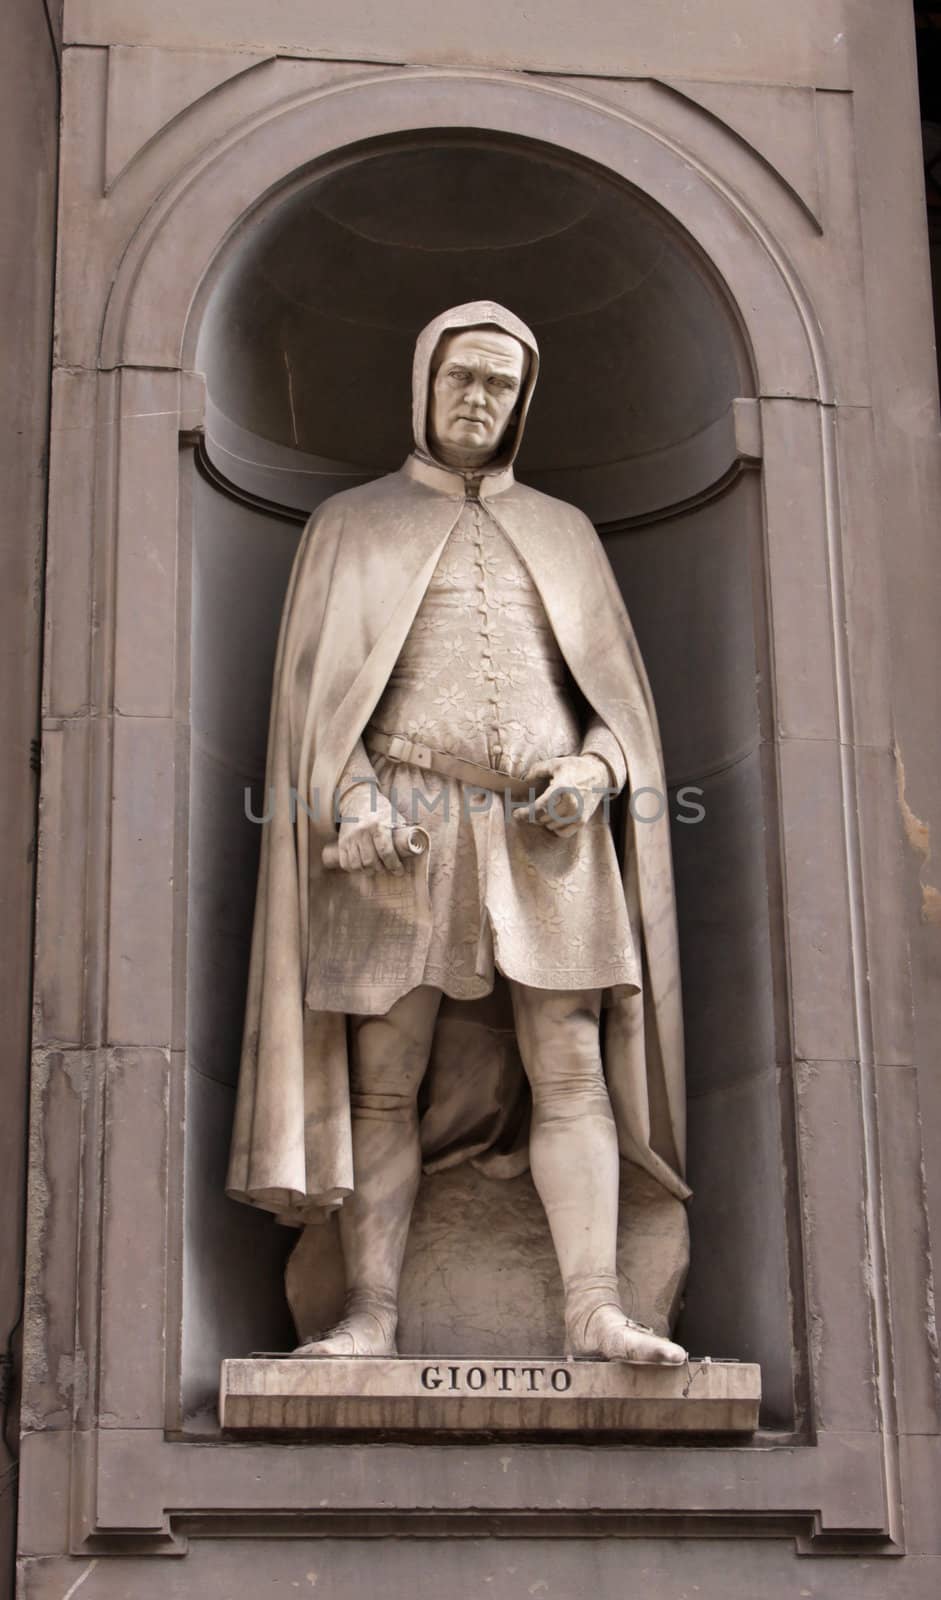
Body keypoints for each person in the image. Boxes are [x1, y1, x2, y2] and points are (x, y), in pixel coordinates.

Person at [227, 301, 689, 1364]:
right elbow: (314, 706)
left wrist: (594, 768)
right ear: (423, 384)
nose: (477, 399)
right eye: (461, 378)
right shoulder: (349, 522)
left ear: (522, 402)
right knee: (384, 1068)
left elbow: (619, 708)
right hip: (403, 819)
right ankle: (371, 1315)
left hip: (547, 827)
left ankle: (592, 1308)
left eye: (498, 383)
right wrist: (351, 800)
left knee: (570, 1059)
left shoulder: (565, 530)